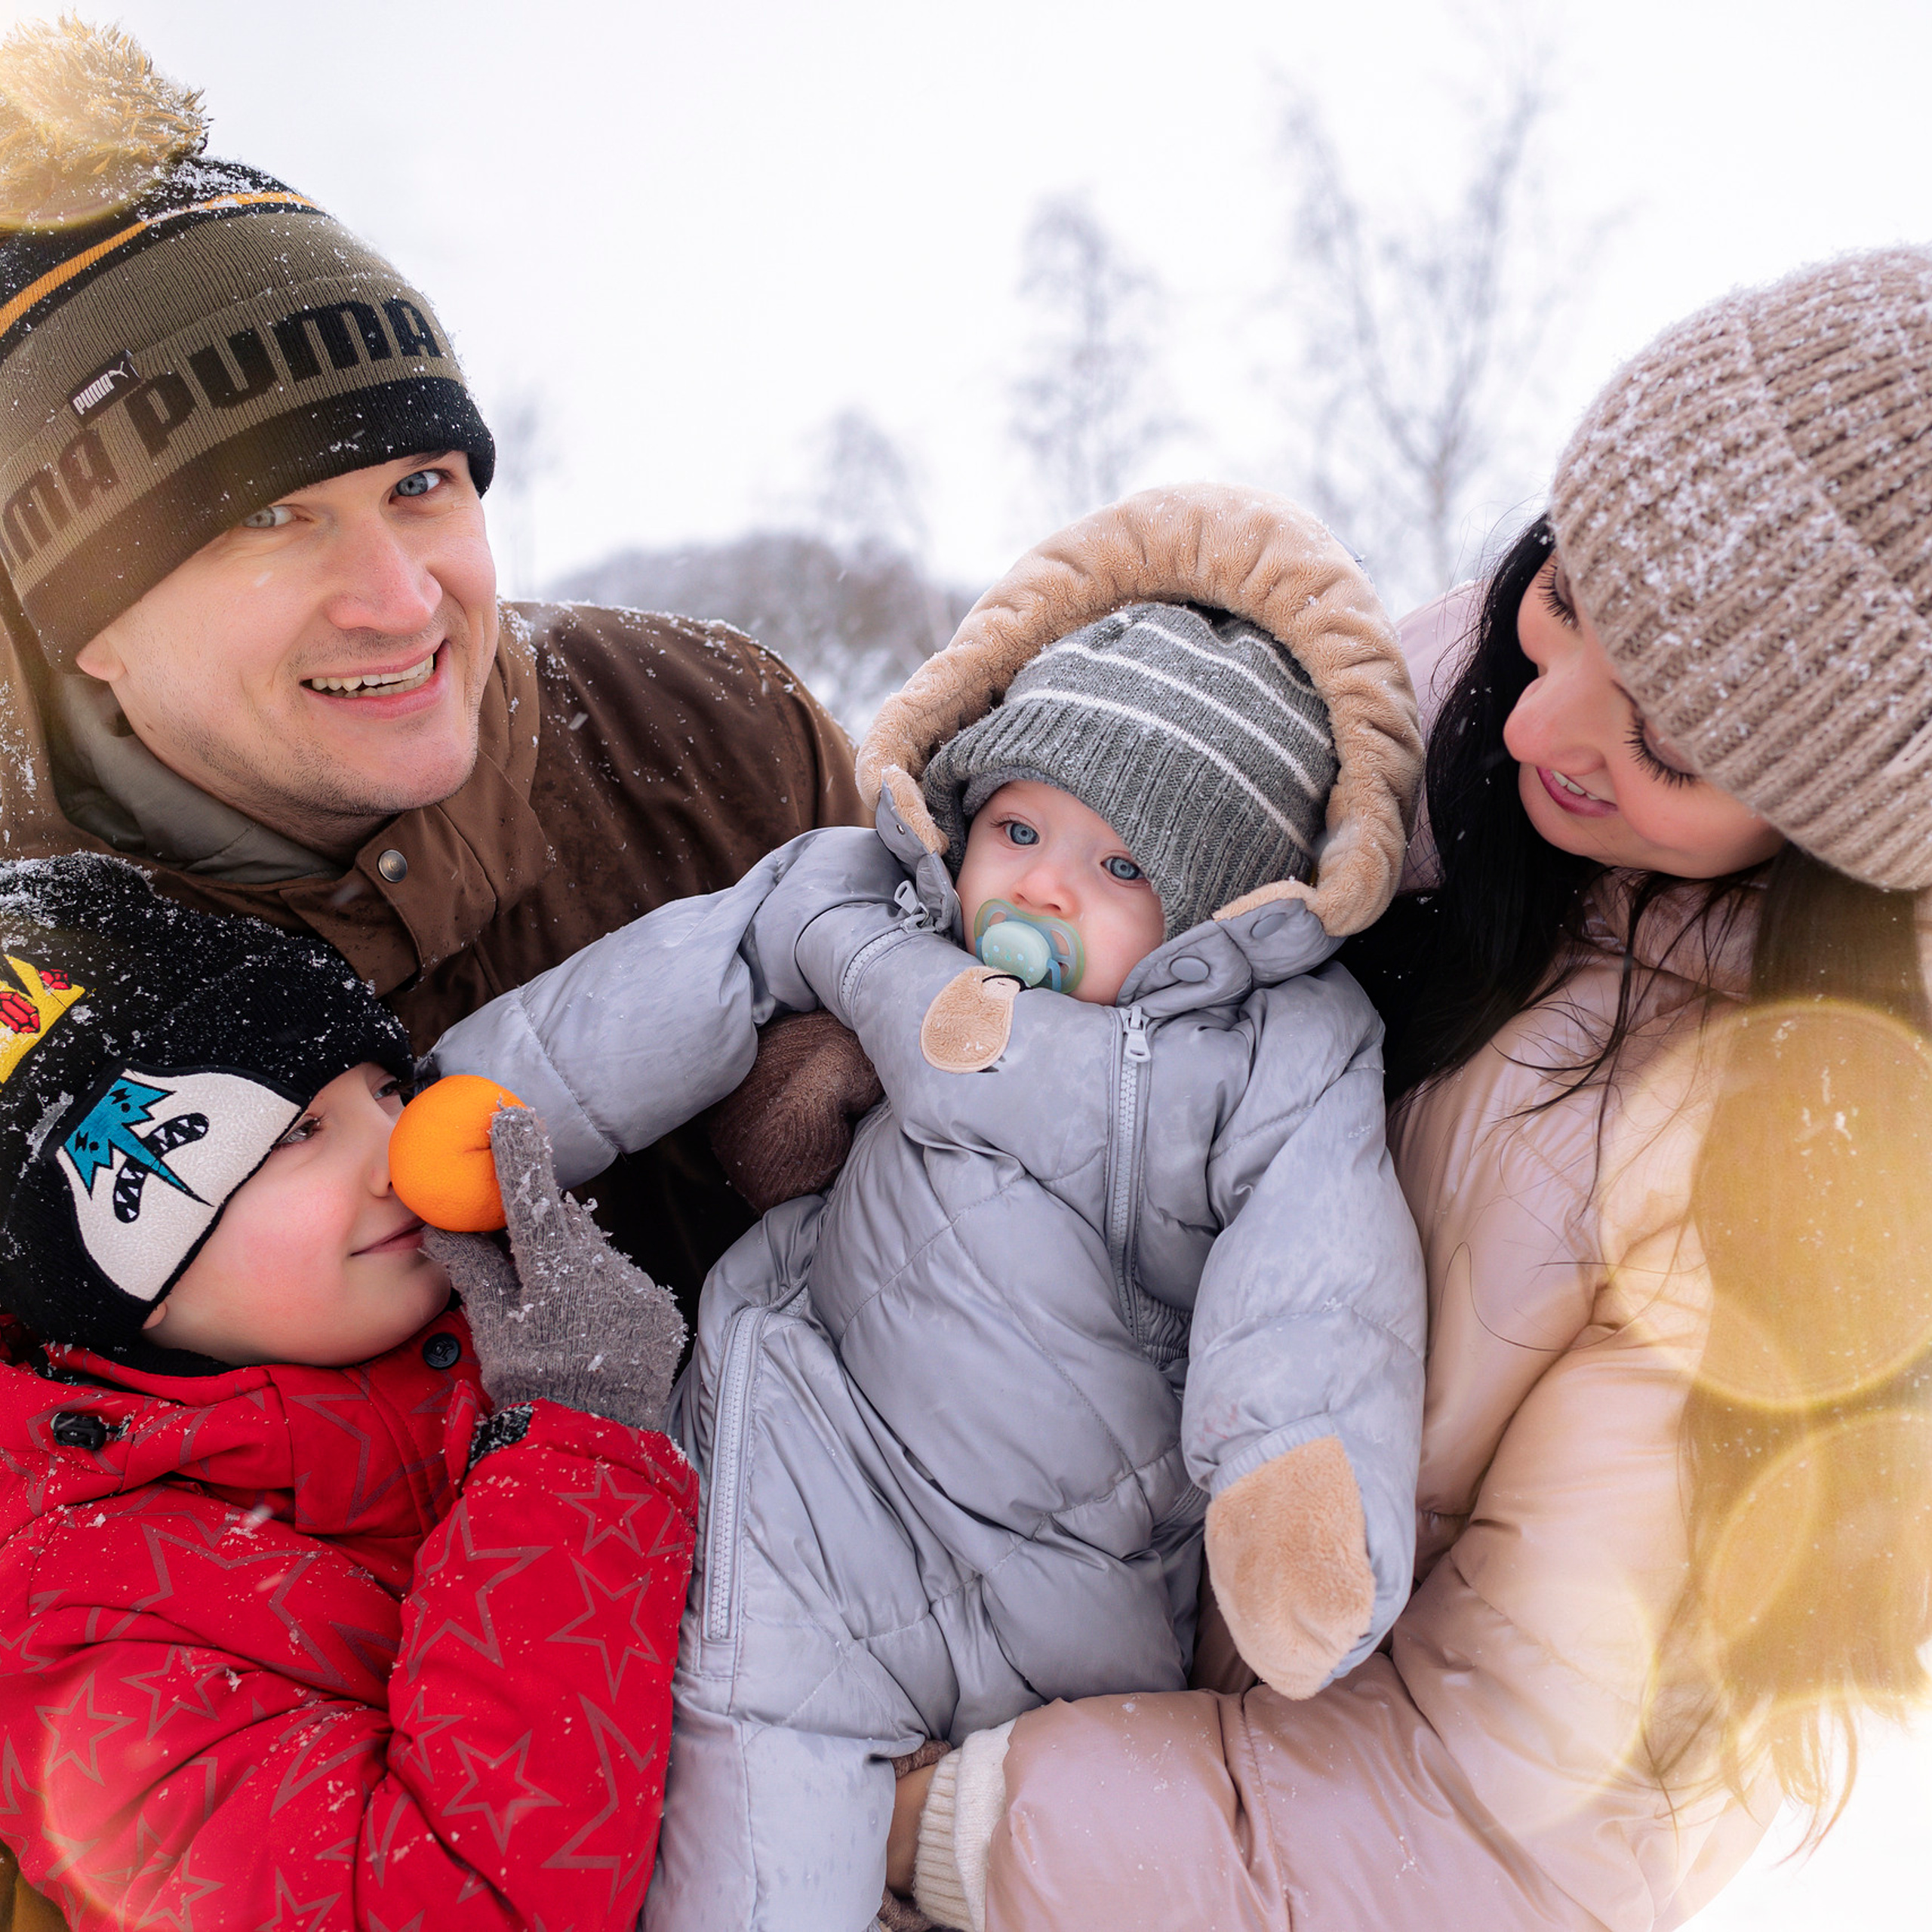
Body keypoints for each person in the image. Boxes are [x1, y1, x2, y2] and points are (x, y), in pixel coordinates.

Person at [875, 254, 1932, 1932]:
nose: (1537, 723)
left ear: (1843, 826)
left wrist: (955, 1817)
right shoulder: (1335, 744)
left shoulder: (1781, 1191)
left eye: (1667, 741)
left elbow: (1507, 1824)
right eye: (1570, 595)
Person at [426, 503, 1430, 1931]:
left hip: (1079, 1565)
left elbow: (1318, 1279)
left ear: (1219, 912)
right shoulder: (874, 920)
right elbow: (687, 975)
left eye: (1119, 869)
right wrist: (493, 1107)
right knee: (754, 1821)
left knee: (1047, 1864)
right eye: (1019, 827)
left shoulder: (1276, 1047)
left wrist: (1293, 1492)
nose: (1037, 885)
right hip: (817, 1497)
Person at [0, 17, 872, 1329]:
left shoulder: (714, 738)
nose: (402, 602)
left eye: (420, 486)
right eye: (265, 521)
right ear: (86, 625)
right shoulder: (31, 958)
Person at [0, 854, 696, 1930]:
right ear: (113, 1266)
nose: (400, 1154)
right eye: (294, 1134)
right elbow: (434, 1908)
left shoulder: (501, 1311)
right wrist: (576, 1447)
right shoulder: (81, 1621)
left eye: (384, 1091)